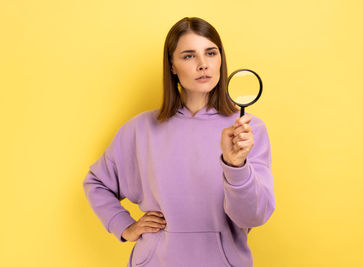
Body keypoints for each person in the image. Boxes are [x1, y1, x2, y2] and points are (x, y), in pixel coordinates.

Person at [83, 17, 276, 267]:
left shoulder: (248, 131)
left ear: (221, 59)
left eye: (211, 53)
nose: (203, 64)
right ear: (172, 66)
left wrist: (235, 165)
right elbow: (96, 182)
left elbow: (254, 216)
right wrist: (125, 226)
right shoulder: (141, 129)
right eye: (188, 56)